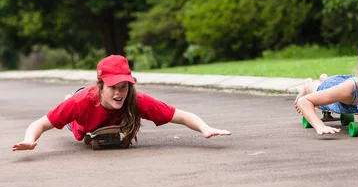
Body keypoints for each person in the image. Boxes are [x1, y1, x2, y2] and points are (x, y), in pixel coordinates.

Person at [12, 55, 231, 151]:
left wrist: (205, 128)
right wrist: (28, 141)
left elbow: (180, 115)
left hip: (98, 111)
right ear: (100, 86)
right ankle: (69, 98)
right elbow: (39, 124)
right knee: (73, 118)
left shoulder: (136, 99)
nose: (119, 92)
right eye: (113, 87)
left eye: (123, 86)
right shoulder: (81, 103)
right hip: (80, 120)